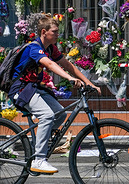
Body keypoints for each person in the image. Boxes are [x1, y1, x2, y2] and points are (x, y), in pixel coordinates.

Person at [8, 15, 101, 174]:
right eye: (55, 32)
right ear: (44, 32)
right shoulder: (34, 47)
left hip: (33, 87)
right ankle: (39, 159)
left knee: (59, 114)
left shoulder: (50, 48)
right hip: (20, 89)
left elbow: (68, 65)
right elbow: (50, 64)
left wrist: (89, 83)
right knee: (47, 115)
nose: (58, 35)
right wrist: (69, 79)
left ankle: (42, 142)